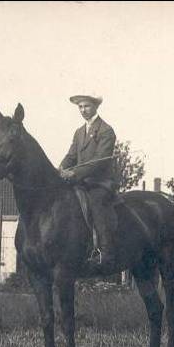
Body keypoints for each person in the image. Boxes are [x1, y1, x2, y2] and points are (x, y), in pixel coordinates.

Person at [59, 94, 118, 267]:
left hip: (99, 183)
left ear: (95, 107)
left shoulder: (106, 130)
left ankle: (105, 252)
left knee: (96, 203)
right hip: (80, 181)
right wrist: (60, 169)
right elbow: (71, 156)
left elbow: (99, 161)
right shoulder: (79, 132)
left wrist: (74, 174)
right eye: (80, 107)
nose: (83, 110)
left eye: (86, 106)